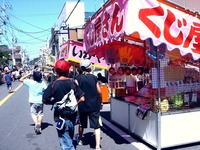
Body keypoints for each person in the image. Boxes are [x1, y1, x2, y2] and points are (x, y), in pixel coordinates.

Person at [42, 59, 85, 150]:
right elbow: (82, 98)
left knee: (67, 145)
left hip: (60, 117)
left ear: (56, 71)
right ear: (68, 70)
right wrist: (74, 104)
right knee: (69, 138)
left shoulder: (53, 85)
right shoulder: (72, 83)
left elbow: (44, 100)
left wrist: (54, 102)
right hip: (73, 117)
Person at [75, 59, 102, 150]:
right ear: (89, 67)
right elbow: (99, 91)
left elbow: (76, 91)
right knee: (96, 125)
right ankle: (97, 146)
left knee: (82, 124)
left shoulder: (77, 78)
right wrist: (101, 101)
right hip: (94, 104)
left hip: (82, 104)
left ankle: (80, 139)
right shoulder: (94, 78)